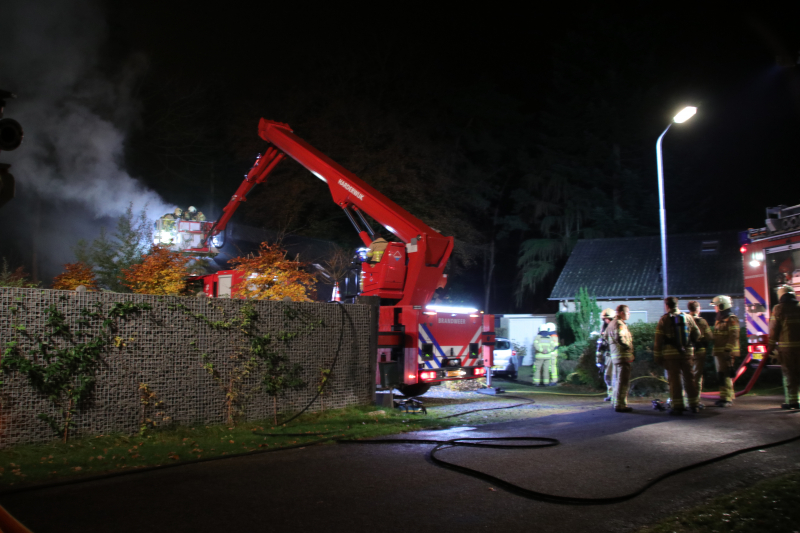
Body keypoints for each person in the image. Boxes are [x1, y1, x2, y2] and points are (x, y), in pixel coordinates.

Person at [653, 297, 700, 415]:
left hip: (671, 356)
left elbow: (658, 340)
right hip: (687, 354)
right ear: (677, 304)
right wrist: (690, 345)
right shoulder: (688, 318)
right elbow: (697, 334)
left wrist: (658, 356)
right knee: (690, 379)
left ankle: (678, 406)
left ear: (667, 306)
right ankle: (694, 405)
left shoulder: (664, 320)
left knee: (675, 381)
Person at [767, 285, 800, 410]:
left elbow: (774, 329)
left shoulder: (779, 309)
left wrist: (771, 345)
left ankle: (792, 401)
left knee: (789, 373)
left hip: (787, 349)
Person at [711, 295, 740, 407]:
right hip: (719, 352)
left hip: (726, 352)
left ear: (723, 306)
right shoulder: (720, 319)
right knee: (721, 375)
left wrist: (728, 349)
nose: (715, 308)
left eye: (717, 306)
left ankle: (727, 399)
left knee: (725, 375)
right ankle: (723, 397)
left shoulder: (731, 319)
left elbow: (734, 335)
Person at [606, 304, 634, 412]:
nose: (629, 315)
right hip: (623, 357)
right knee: (623, 382)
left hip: (616, 357)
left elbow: (606, 338)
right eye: (628, 313)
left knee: (617, 381)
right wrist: (629, 348)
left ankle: (616, 402)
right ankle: (621, 405)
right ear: (622, 313)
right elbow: (621, 339)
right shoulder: (619, 324)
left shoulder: (611, 323)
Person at [687, 300, 713, 409]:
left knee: (687, 376)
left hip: (687, 352)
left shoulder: (685, 319)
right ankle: (695, 401)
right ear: (698, 308)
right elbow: (709, 337)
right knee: (697, 377)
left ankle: (687, 399)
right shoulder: (701, 321)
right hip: (699, 351)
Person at [596, 308, 616, 401]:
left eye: (607, 319)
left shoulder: (616, 327)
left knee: (616, 377)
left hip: (615, 355)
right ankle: (611, 394)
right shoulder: (604, 328)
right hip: (608, 356)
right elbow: (599, 346)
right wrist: (598, 360)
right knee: (608, 376)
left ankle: (616, 395)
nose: (606, 321)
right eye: (604, 319)